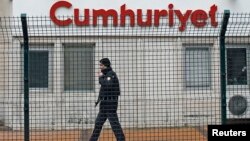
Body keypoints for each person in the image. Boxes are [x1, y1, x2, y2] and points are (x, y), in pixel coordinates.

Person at [89, 58, 125, 141]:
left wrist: (100, 77)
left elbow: (107, 85)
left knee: (114, 124)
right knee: (98, 123)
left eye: (101, 65)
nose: (100, 67)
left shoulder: (111, 74)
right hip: (104, 104)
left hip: (110, 103)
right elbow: (103, 90)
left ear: (106, 65)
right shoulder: (106, 75)